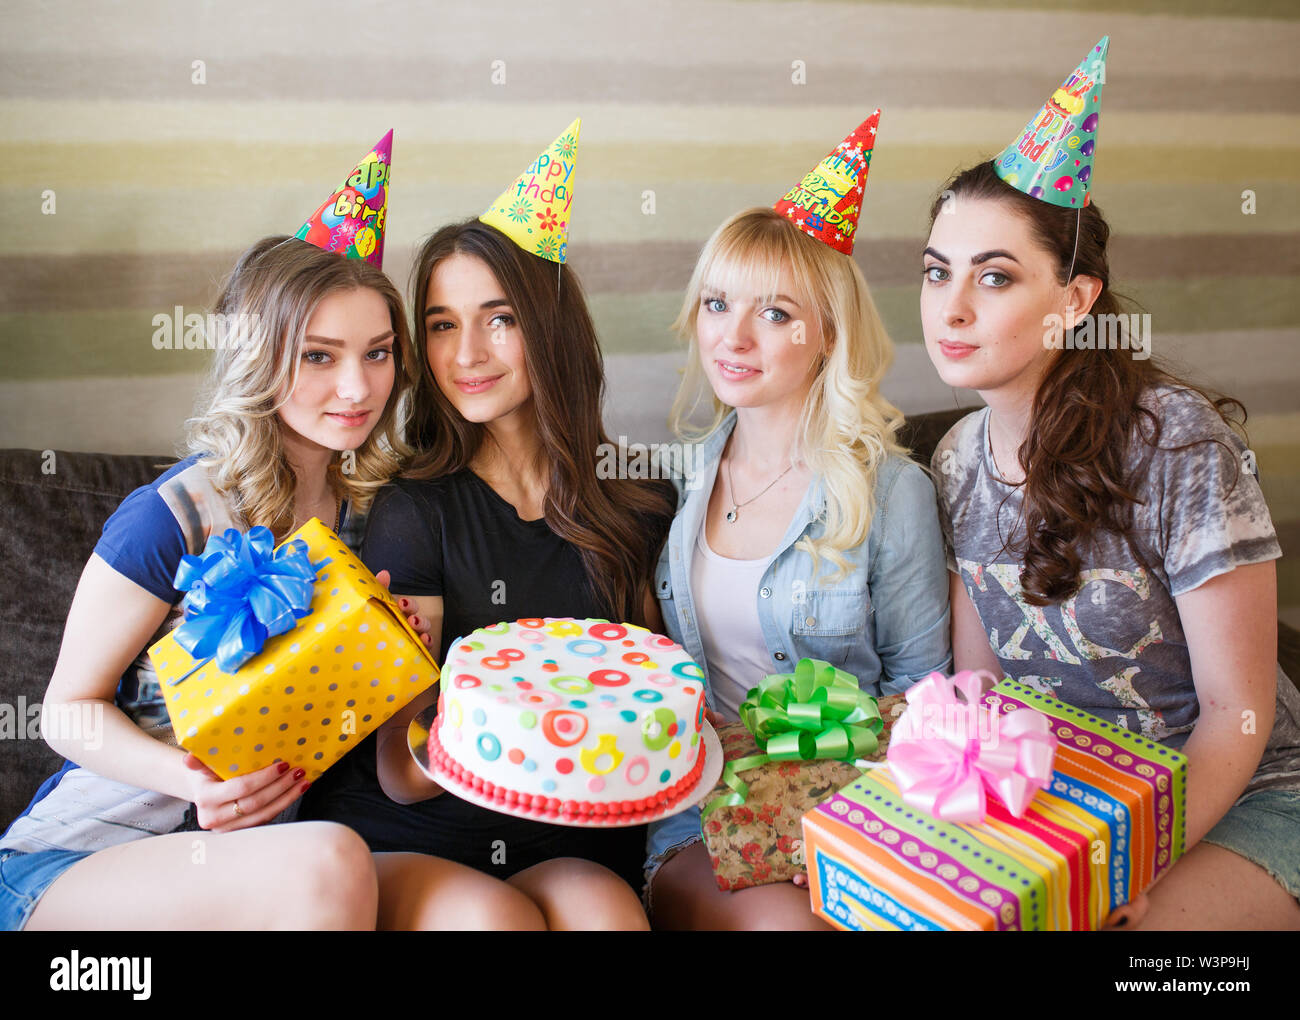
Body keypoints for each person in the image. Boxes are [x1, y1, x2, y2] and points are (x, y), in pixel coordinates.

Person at [922, 39, 1300, 929]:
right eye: (938, 272)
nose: (953, 308)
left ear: (1075, 299)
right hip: (1070, 805)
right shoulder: (951, 461)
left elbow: (1237, 712)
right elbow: (983, 691)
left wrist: (1124, 871)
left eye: (996, 277)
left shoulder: (1175, 447)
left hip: (1240, 798)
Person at [300, 121, 680, 930]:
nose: (466, 351)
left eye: (498, 318)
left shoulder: (639, 502)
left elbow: (650, 707)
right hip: (427, 830)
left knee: (610, 915)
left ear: (548, 328)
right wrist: (504, 728)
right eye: (441, 324)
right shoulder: (415, 508)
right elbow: (403, 774)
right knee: (492, 921)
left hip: (578, 838)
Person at [0, 223, 417, 929]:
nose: (358, 385)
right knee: (330, 861)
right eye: (319, 355)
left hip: (253, 863)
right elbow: (67, 712)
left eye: (377, 353)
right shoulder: (175, 515)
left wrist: (389, 661)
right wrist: (194, 782)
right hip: (75, 866)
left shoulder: (370, 519)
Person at [645, 112, 953, 930]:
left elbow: (923, 698)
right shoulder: (680, 482)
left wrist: (812, 758)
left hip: (856, 810)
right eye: (717, 304)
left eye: (776, 314)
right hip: (703, 815)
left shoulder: (892, 493)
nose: (734, 336)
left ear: (827, 336)